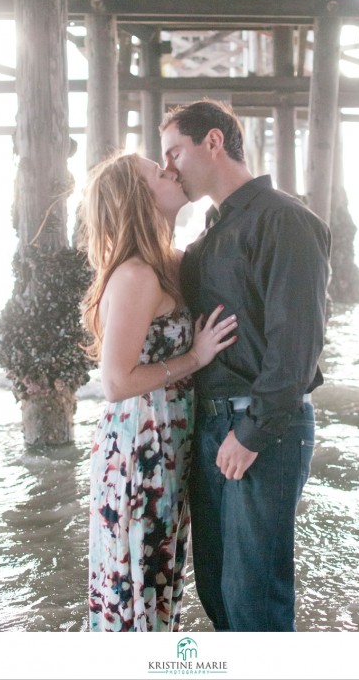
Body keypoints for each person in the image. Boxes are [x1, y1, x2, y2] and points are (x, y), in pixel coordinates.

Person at [160, 99, 331, 632]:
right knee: (215, 586)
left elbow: (296, 344)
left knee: (254, 592)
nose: (169, 168)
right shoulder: (209, 232)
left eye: (174, 153)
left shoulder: (285, 219)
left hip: (260, 428)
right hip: (210, 424)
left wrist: (252, 431)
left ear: (213, 142)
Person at [77, 151, 238, 633]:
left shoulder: (176, 261)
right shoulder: (135, 275)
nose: (171, 171)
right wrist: (195, 357)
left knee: (162, 583)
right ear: (138, 199)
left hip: (170, 447)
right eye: (157, 173)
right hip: (138, 456)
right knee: (139, 586)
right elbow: (116, 382)